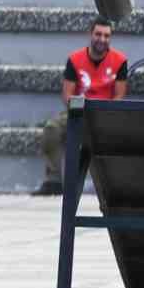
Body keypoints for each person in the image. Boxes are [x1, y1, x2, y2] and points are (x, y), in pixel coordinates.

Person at [36, 17, 128, 196]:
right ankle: (54, 181)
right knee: (52, 128)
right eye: (98, 34)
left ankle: (118, 187)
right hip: (79, 110)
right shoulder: (75, 59)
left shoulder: (120, 60)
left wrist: (106, 115)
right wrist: (79, 109)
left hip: (106, 113)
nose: (102, 39)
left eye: (107, 36)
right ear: (90, 34)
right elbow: (67, 95)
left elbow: (119, 95)